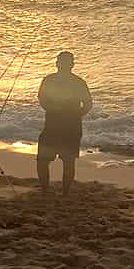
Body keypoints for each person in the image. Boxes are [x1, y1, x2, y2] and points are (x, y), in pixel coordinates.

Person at [37, 51, 93, 196]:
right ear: (72, 65)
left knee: (52, 160)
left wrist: (73, 113)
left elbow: (42, 101)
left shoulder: (51, 80)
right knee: (60, 161)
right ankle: (59, 192)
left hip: (61, 126)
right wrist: (77, 114)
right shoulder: (76, 82)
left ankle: (50, 191)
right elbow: (88, 104)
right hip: (61, 126)